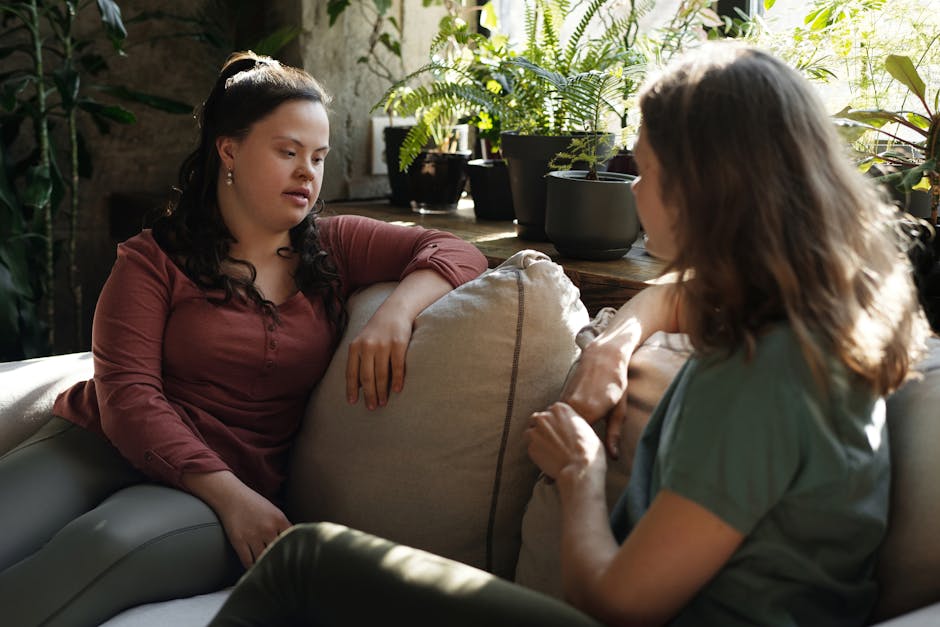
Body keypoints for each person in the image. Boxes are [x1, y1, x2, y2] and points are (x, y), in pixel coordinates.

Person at [206, 42, 930, 627]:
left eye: (641, 167)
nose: (631, 186)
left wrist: (581, 473)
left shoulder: (758, 385)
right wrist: (617, 342)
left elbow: (618, 600)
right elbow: (687, 296)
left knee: (307, 558)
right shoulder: (811, 320)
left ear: (704, 186)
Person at [0, 51, 487, 626]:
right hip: (92, 445)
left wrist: (396, 313)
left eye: (319, 157)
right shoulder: (151, 261)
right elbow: (129, 397)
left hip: (214, 492)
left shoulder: (335, 245)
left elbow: (459, 251)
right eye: (288, 152)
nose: (308, 172)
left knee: (104, 543)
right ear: (228, 150)